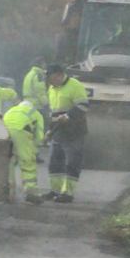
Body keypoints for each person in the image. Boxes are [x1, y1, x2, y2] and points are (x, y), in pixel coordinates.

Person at [44, 63, 89, 203]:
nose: (50, 82)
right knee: (54, 163)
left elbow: (83, 106)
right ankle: (55, 191)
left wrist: (68, 116)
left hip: (74, 131)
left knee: (72, 162)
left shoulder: (75, 85)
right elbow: (53, 112)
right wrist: (49, 131)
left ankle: (68, 193)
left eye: (52, 78)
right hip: (58, 130)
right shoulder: (52, 88)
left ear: (59, 75)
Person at [3, 99, 45, 204]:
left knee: (9, 162)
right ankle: (31, 193)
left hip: (4, 132)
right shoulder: (36, 113)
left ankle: (8, 192)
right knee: (27, 162)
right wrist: (34, 148)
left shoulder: (12, 110)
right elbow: (39, 136)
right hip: (21, 132)